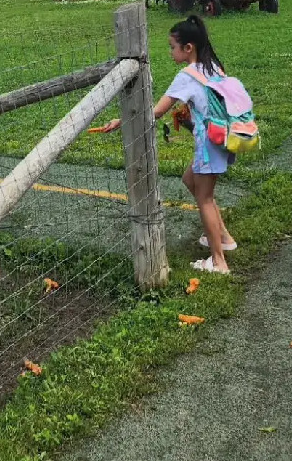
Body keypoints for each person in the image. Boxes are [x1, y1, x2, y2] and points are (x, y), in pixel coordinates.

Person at [93, 15, 236, 274]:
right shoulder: (213, 65)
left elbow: (154, 111)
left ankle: (218, 261)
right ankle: (223, 238)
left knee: (204, 198)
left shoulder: (187, 75)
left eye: (173, 47)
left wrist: (120, 120)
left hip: (208, 145)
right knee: (190, 180)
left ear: (188, 48)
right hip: (223, 139)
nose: (170, 52)